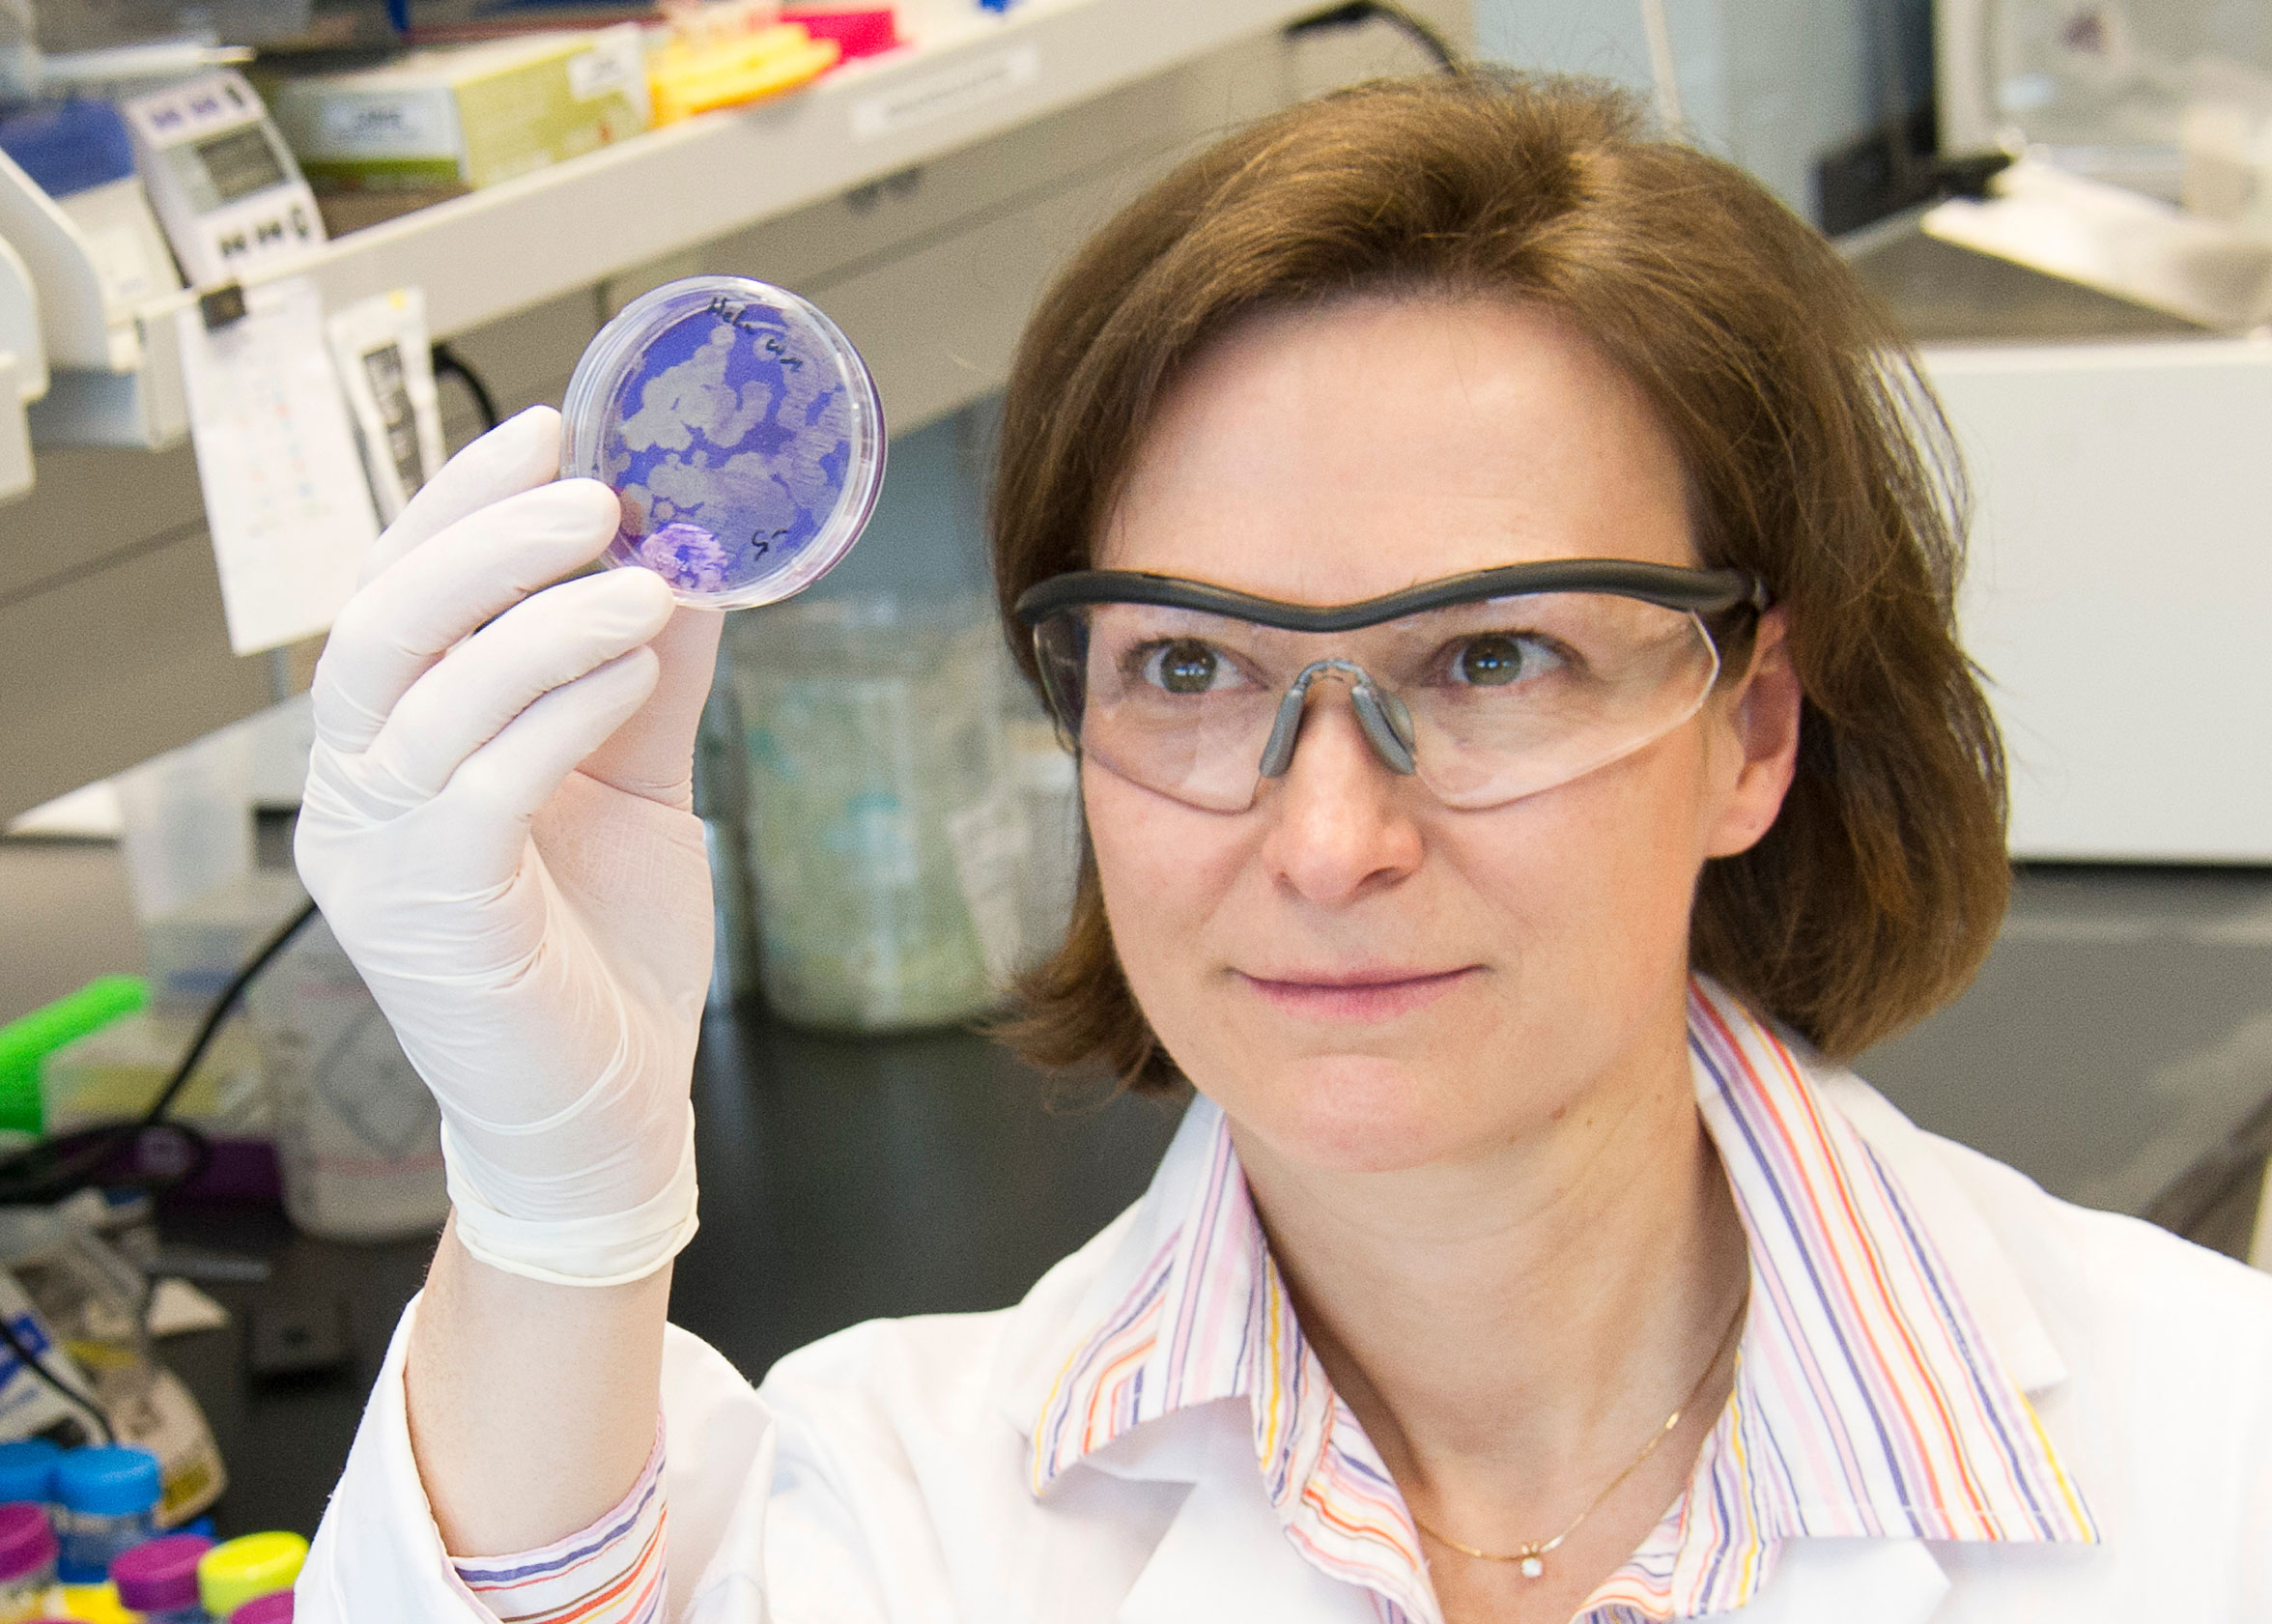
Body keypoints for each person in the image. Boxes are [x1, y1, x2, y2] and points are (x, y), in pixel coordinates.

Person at [286, 71, 2272, 1624]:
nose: (1328, 838)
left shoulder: (2214, 1465)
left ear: (1751, 729)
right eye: (1187, 665)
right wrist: (557, 1207)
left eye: (1492, 657)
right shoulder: (902, 1512)